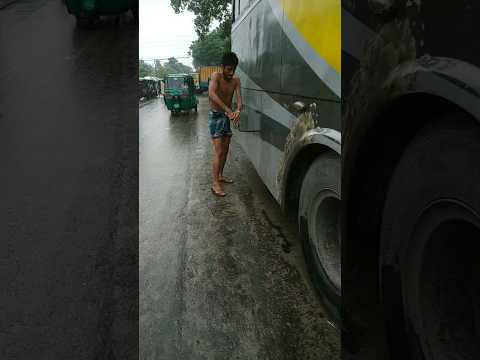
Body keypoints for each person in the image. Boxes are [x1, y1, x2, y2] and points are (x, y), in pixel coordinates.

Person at [208, 52, 242, 197]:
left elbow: (240, 100)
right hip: (216, 117)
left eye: (233, 69)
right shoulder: (216, 76)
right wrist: (228, 110)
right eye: (228, 69)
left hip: (227, 117)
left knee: (226, 149)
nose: (231, 72)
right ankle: (215, 183)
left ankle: (220, 175)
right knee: (218, 151)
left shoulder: (236, 81)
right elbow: (212, 94)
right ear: (222, 67)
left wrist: (238, 110)